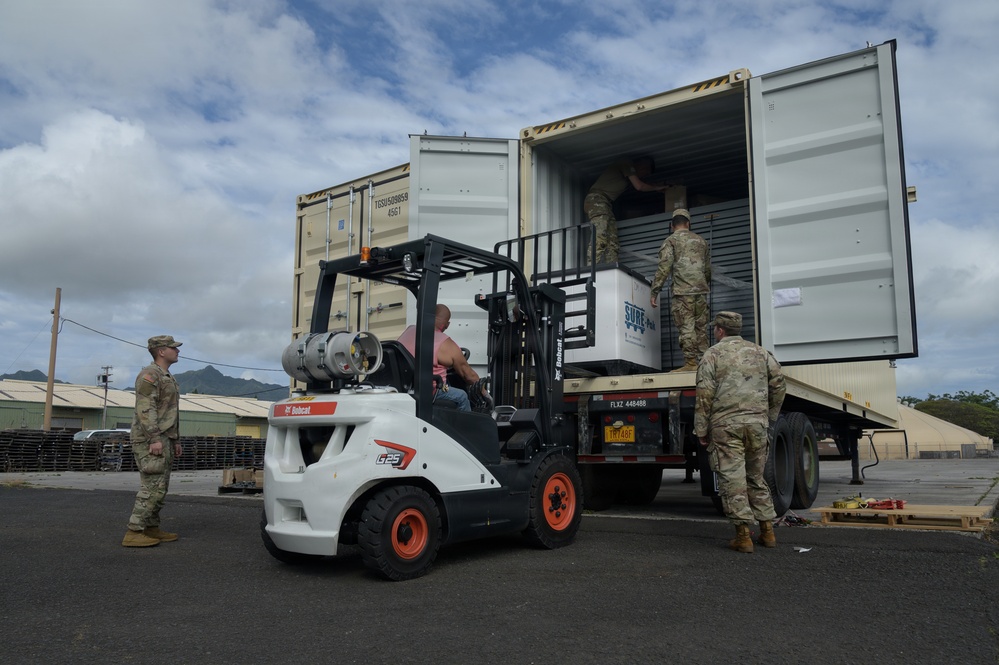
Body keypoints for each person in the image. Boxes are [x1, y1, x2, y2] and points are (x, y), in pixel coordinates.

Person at [694, 312, 785, 553]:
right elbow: (779, 386)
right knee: (756, 477)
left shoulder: (712, 354)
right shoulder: (761, 352)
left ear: (720, 330)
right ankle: (767, 532)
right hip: (757, 424)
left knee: (733, 480)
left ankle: (743, 537)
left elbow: (704, 394)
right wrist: (769, 416)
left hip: (726, 425)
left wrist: (701, 429)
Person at [121, 335, 183, 547]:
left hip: (164, 437)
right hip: (151, 439)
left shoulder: (166, 376)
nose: (177, 351)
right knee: (152, 486)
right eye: (172, 348)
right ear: (161, 351)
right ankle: (134, 531)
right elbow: (146, 409)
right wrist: (154, 438)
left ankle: (151, 527)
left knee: (161, 486)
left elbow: (170, 412)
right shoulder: (149, 375)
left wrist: (175, 440)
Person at [649, 208, 711, 372]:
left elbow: (664, 268)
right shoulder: (702, 241)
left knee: (686, 327)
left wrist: (655, 291)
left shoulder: (670, 241)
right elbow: (707, 269)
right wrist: (704, 284)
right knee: (701, 328)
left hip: (683, 292)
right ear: (688, 223)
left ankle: (691, 363)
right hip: (701, 291)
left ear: (672, 225)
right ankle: (705, 364)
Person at [398, 304, 483, 411]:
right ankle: (468, 427)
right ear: (446, 324)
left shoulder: (409, 330)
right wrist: (484, 392)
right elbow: (468, 375)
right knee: (461, 396)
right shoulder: (444, 342)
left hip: (406, 387)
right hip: (429, 390)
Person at [584, 156, 666, 263]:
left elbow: (642, 185)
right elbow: (639, 186)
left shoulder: (626, 178)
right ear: (642, 166)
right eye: (645, 172)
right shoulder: (626, 163)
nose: (643, 176)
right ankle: (591, 268)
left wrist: (659, 186)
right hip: (596, 200)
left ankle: (612, 267)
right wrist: (656, 188)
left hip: (606, 204)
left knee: (612, 241)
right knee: (600, 235)